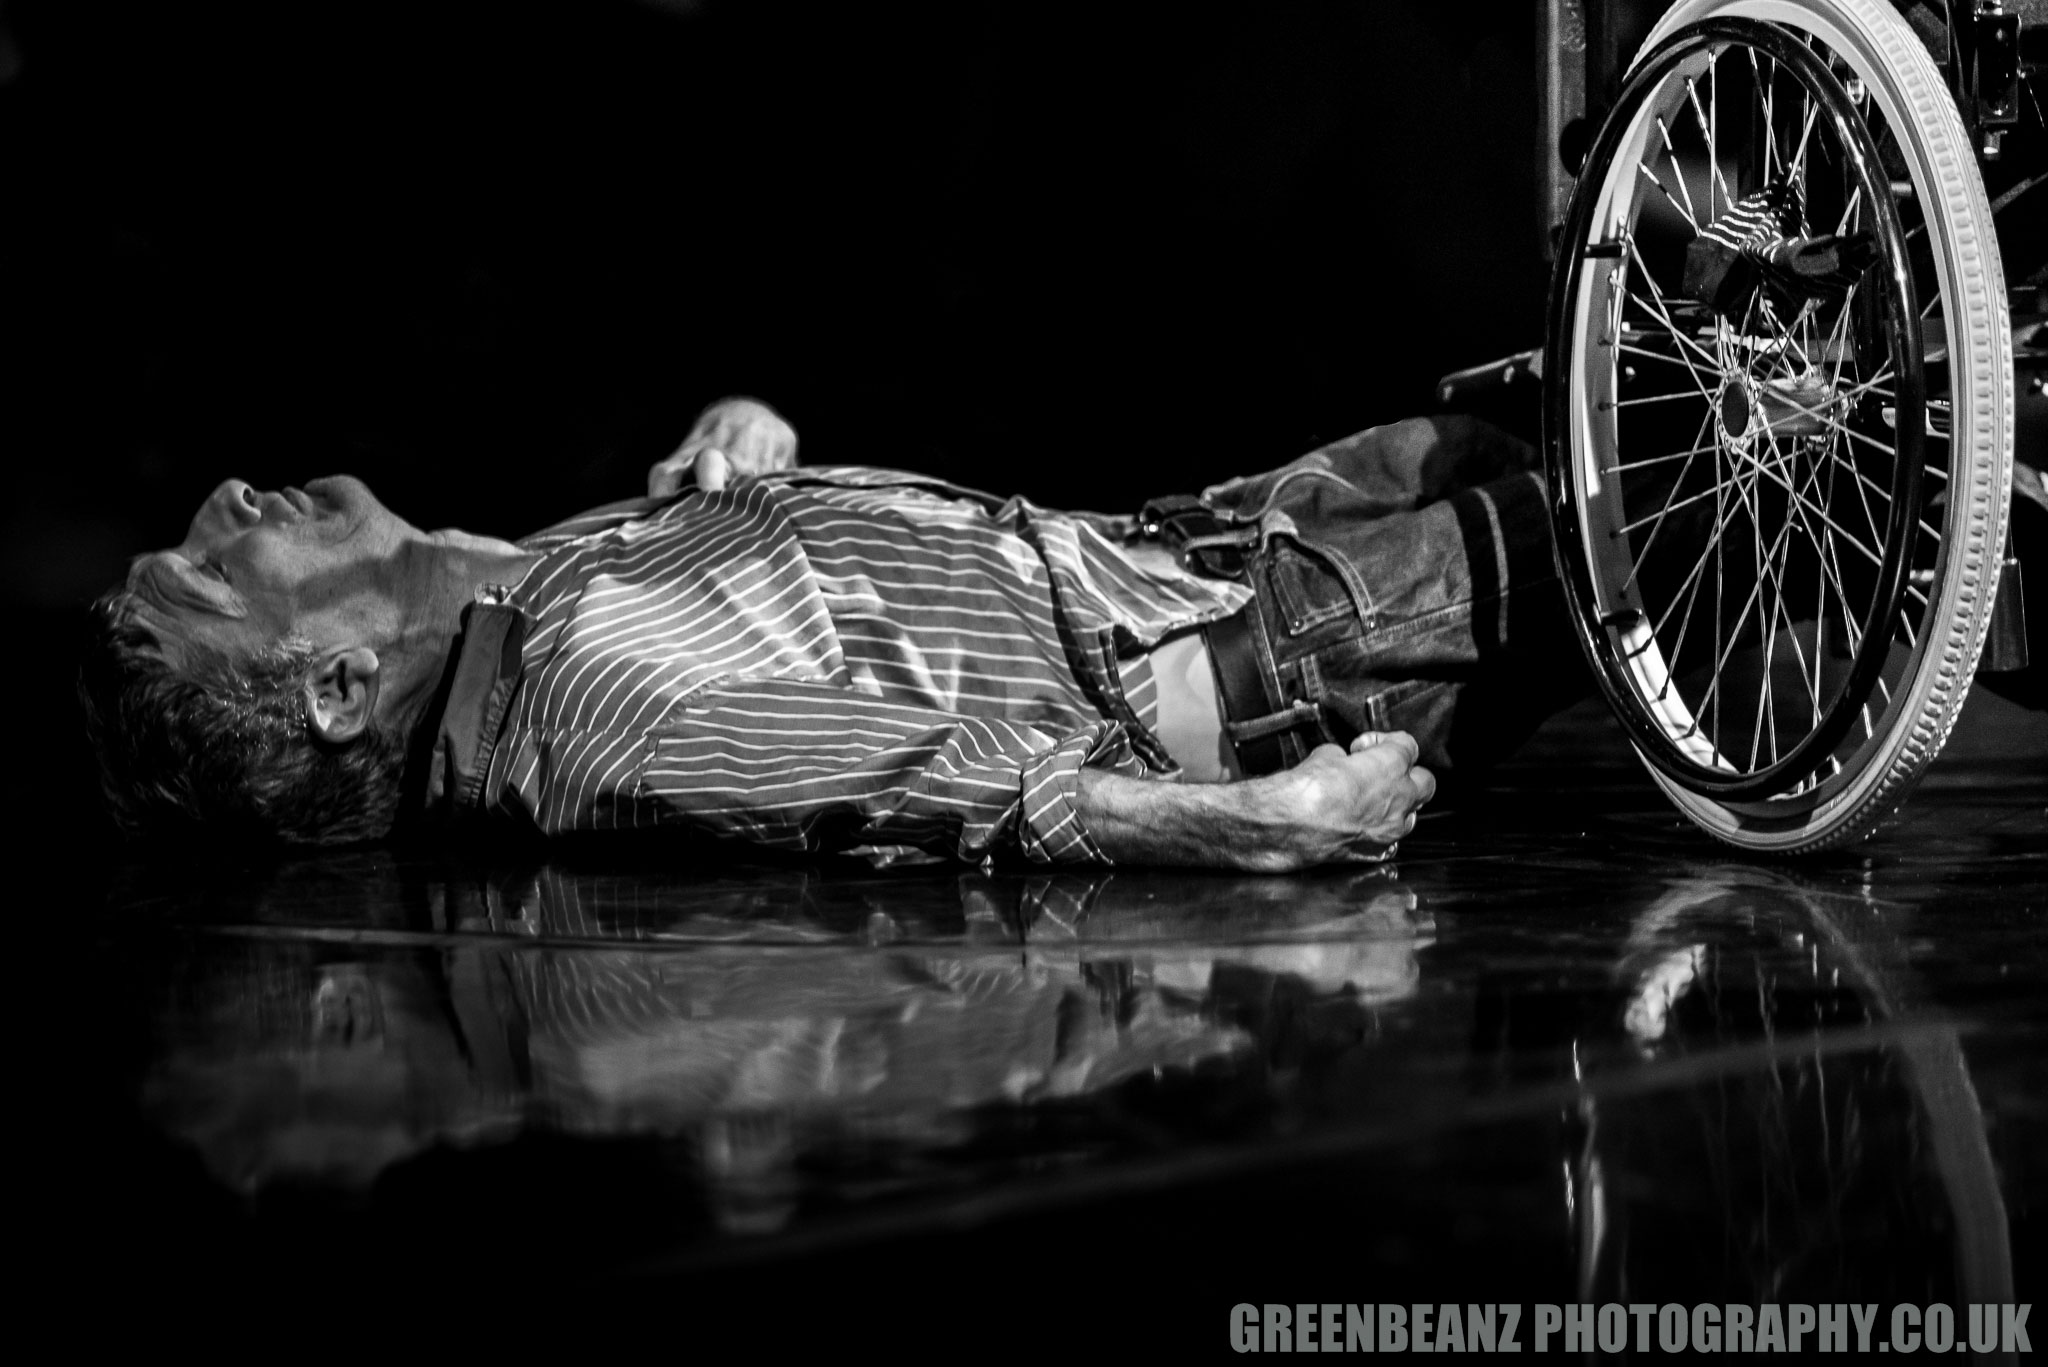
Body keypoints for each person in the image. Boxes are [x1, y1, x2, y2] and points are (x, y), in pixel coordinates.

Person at [79, 399, 1583, 869]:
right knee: (1705, 490)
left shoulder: (510, 599)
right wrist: (1244, 825)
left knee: (1657, 358)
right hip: (1279, 644)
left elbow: (815, 613)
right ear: (342, 683)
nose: (221, 499)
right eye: (221, 570)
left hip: (1218, 544)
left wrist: (751, 461)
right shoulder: (585, 705)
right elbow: (914, 774)